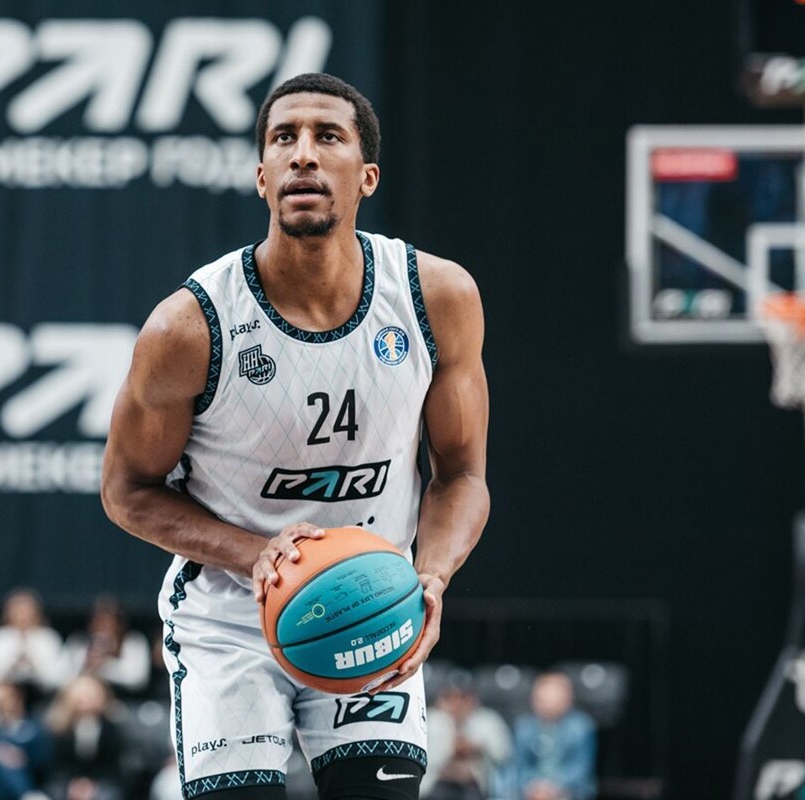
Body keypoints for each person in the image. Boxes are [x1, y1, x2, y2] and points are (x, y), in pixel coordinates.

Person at [102, 72, 490, 800]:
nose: (303, 153)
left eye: (327, 137)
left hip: (367, 603)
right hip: (231, 618)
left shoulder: (435, 298)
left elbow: (463, 475)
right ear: (262, 177)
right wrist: (257, 556)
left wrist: (432, 576)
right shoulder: (189, 328)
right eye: (284, 138)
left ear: (367, 176)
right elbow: (126, 492)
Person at [422, 672, 511, 800]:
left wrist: (477, 747)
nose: (458, 703)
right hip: (433, 788)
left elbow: (504, 755)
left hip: (475, 789)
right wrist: (450, 748)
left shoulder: (487, 720)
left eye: (464, 697)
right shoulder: (429, 720)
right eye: (451, 697)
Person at [512, 672, 596, 800]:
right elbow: (517, 766)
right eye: (543, 700)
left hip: (569, 790)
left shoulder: (581, 727)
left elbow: (580, 768)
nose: (548, 705)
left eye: (554, 700)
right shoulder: (524, 726)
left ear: (568, 700)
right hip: (530, 791)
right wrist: (532, 786)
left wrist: (553, 787)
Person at [44, 675, 125, 800]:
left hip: (103, 781)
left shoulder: (112, 726)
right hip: (65, 780)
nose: (85, 698)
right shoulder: (57, 728)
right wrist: (74, 784)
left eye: (90, 694)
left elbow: (115, 764)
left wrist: (91, 785)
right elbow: (55, 764)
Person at [0, 681, 51, 800]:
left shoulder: (33, 731)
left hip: (26, 778)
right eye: (1, 702)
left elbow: (42, 765)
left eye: (9, 699)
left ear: (19, 699)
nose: (6, 706)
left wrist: (20, 756)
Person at [0, 590, 68, 699]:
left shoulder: (48, 638)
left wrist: (34, 663)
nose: (22, 615)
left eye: (26, 610)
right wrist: (12, 665)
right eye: (17, 610)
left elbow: (59, 676)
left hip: (44, 697)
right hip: (5, 697)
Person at [64, 596, 151, 696]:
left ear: (120, 625)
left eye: (108, 622)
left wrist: (105, 664)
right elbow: (64, 677)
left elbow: (137, 680)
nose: (102, 626)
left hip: (127, 700)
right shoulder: (78, 641)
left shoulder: (134, 641)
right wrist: (87, 663)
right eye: (98, 621)